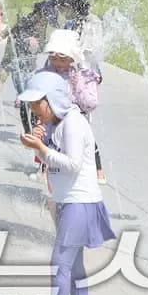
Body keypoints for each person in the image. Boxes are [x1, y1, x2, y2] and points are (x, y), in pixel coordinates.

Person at [15, 72, 115, 295]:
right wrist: (37, 141)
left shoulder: (73, 123)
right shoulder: (56, 123)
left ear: (53, 100)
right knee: (74, 268)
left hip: (79, 204)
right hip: (68, 204)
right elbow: (51, 158)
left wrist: (41, 148)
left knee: (60, 266)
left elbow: (70, 164)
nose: (34, 109)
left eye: (38, 103)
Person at [39, 30, 105, 184]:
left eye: (61, 60)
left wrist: (78, 84)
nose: (56, 64)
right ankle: (51, 190)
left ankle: (91, 174)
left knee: (76, 155)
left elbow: (91, 104)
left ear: (72, 58)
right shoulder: (47, 72)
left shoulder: (85, 76)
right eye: (52, 58)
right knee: (51, 154)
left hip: (74, 123)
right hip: (52, 123)